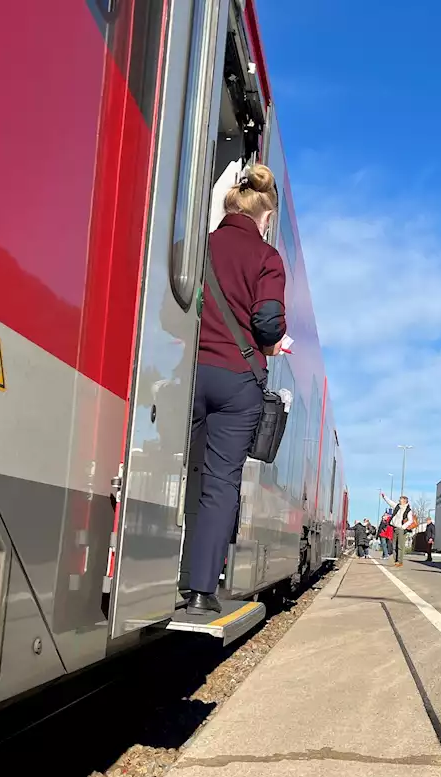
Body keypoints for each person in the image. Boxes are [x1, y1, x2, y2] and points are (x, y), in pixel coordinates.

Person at [185, 165, 285, 615]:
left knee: (169, 466)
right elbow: (266, 321)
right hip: (238, 380)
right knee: (220, 481)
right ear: (265, 216)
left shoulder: (196, 245)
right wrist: (275, 343)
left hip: (188, 370)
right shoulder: (266, 258)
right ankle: (202, 589)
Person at [381, 493, 418, 566]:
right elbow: (390, 502)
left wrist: (403, 527)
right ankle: (395, 560)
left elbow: (410, 520)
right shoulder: (397, 507)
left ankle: (400, 561)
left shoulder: (408, 510)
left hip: (401, 529)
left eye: (400, 499)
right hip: (394, 527)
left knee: (400, 546)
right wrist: (384, 497)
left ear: (404, 501)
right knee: (394, 545)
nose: (399, 500)